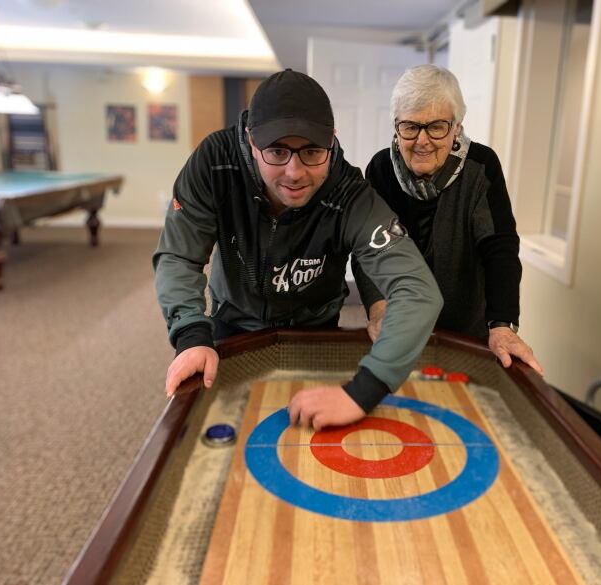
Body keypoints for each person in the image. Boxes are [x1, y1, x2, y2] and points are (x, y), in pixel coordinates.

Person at [153, 69, 442, 430]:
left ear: (331, 142)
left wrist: (361, 393)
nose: (294, 172)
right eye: (276, 151)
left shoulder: (350, 192)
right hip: (232, 322)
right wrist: (191, 335)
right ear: (251, 141)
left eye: (311, 152)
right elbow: (179, 255)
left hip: (315, 329)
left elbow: (418, 291)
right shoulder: (214, 162)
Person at [353, 64, 543, 375]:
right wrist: (378, 308)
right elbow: (367, 246)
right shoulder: (380, 169)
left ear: (457, 127)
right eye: (410, 126)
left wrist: (501, 324)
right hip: (400, 324)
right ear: (395, 126)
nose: (422, 140)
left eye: (437, 126)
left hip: (466, 325)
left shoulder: (481, 166)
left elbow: (500, 248)